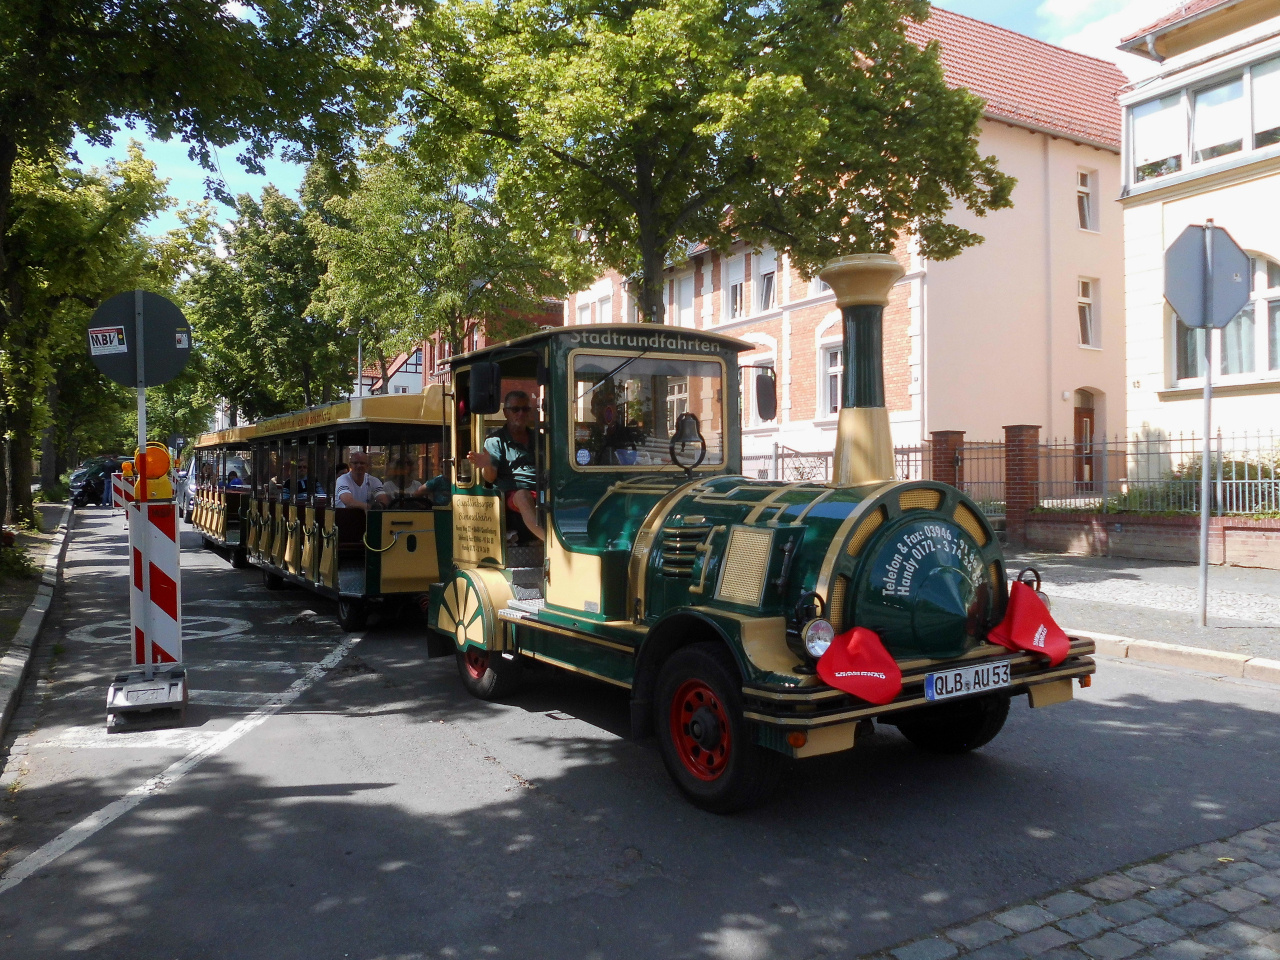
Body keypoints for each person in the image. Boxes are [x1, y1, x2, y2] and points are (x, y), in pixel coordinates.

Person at [467, 389, 544, 541]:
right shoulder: (495, 441)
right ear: (505, 412)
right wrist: (487, 463)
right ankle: (551, 543)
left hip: (542, 490)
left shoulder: (540, 439)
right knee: (523, 495)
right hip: (511, 496)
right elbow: (490, 478)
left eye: (525, 409)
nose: (521, 413)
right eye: (515, 409)